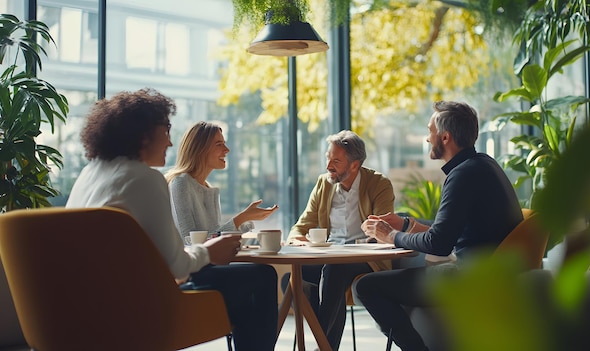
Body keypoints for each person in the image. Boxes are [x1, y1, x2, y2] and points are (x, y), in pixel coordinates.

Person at [66, 88, 278, 351]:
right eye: (165, 130)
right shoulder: (144, 178)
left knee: (247, 291)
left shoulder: (90, 174)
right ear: (143, 134)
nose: (169, 142)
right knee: (262, 278)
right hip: (139, 309)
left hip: (86, 308)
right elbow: (177, 267)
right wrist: (208, 252)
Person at [356, 101, 523, 351]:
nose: (426, 139)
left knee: (365, 286)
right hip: (493, 270)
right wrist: (406, 224)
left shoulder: (462, 175)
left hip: (472, 278)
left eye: (429, 131)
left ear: (445, 137)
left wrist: (392, 236)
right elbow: (451, 227)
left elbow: (439, 243)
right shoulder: (483, 164)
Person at [286, 130, 395, 351]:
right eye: (328, 158)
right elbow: (302, 223)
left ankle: (323, 344)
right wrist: (296, 239)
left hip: (366, 259)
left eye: (335, 160)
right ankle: (327, 345)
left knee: (334, 270)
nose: (328, 166)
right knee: (291, 280)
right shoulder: (323, 184)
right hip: (331, 257)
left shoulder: (378, 184)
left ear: (354, 165)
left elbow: (384, 229)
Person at [164, 121, 278, 238]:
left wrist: (246, 218)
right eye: (219, 144)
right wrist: (241, 218)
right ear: (199, 149)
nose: (227, 150)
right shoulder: (181, 183)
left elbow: (213, 237)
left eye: (224, 143)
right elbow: (188, 241)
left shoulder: (208, 188)